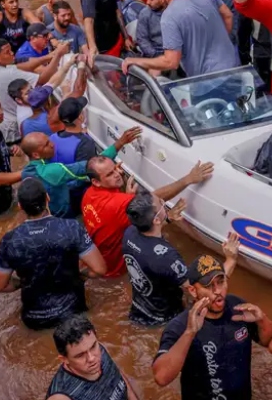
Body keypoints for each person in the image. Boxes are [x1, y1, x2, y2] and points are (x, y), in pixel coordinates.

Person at [152, 255, 272, 400]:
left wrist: (262, 319)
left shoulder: (238, 307)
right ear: (192, 291)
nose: (217, 291)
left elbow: (267, 341)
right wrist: (190, 333)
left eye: (221, 282)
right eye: (208, 285)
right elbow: (161, 378)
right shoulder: (180, 326)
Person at [0, 178, 107, 330]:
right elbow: (100, 269)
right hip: (73, 312)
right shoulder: (71, 228)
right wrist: (79, 276)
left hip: (34, 319)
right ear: (47, 198)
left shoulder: (10, 240)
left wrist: (25, 282)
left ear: (20, 206)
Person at [82, 156, 213, 278]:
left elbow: (116, 217)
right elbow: (151, 200)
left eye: (115, 168)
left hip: (95, 259)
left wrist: (128, 197)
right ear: (96, 181)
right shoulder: (117, 203)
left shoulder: (88, 194)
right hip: (116, 271)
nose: (117, 174)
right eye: (110, 174)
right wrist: (188, 179)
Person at [124, 193, 240, 327]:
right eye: (161, 203)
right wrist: (231, 259)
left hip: (138, 309)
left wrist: (167, 219)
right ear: (155, 220)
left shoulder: (130, 233)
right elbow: (197, 288)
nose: (163, 202)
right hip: (163, 319)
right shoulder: (167, 257)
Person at [121, 0, 238, 78]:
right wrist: (219, 41)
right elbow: (228, 15)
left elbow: (171, 62)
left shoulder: (169, 17)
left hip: (209, 80)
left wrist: (137, 61)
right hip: (235, 67)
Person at [20, 121, 131, 220]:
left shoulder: (26, 172)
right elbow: (92, 164)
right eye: (46, 145)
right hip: (63, 217)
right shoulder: (53, 170)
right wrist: (120, 143)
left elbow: (54, 185)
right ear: (36, 154)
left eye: (49, 140)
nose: (52, 145)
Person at [0, 37, 70, 144]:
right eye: (8, 52)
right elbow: (43, 80)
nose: (12, 53)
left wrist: (49, 56)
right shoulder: (9, 74)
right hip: (11, 133)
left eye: (11, 50)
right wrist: (58, 56)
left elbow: (19, 67)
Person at [46, 315, 141, 400]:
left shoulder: (100, 349)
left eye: (93, 346)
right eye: (80, 355)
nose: (91, 358)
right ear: (64, 359)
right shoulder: (61, 397)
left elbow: (120, 379)